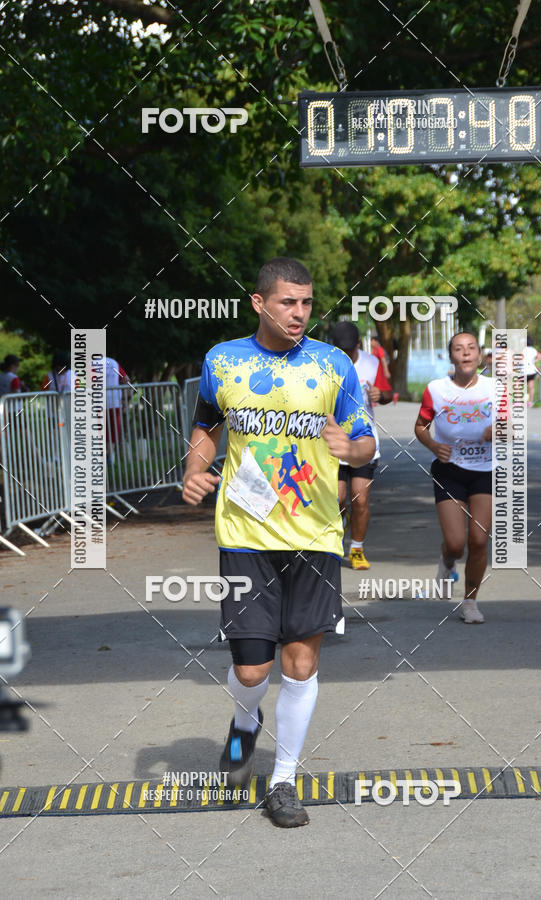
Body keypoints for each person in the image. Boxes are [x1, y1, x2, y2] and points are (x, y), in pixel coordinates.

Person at [182, 257, 374, 827]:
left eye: (308, 303)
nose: (300, 313)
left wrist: (351, 450)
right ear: (259, 302)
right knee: (251, 673)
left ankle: (283, 782)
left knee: (299, 664)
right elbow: (207, 429)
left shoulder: (333, 364)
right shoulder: (224, 360)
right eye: (288, 302)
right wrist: (193, 469)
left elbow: (364, 443)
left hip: (313, 533)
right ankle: (245, 725)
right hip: (244, 532)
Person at [414, 331, 498, 624]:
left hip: (484, 470)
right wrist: (434, 445)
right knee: (455, 543)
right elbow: (421, 426)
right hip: (449, 470)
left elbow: (512, 427)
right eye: (459, 349)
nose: (465, 353)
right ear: (451, 357)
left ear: (479, 355)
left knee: (478, 540)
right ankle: (447, 561)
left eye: (471, 348)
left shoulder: (495, 388)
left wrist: (498, 432)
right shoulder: (436, 389)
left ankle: (470, 602)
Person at [331, 321, 392, 569]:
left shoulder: (371, 363)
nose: (346, 355)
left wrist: (382, 395)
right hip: (332, 442)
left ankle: (356, 548)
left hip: (364, 442)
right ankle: (333, 545)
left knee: (360, 499)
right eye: (340, 350)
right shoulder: (324, 364)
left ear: (359, 344)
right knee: (337, 498)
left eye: (350, 350)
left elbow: (388, 393)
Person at [525, 336, 541, 406]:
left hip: (524, 370)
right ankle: (531, 402)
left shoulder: (523, 349)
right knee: (531, 387)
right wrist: (534, 361)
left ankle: (518, 402)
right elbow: (540, 356)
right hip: (532, 371)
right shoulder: (533, 350)